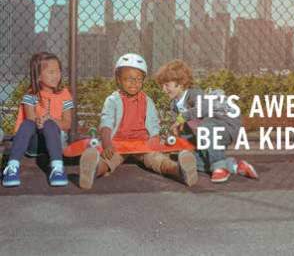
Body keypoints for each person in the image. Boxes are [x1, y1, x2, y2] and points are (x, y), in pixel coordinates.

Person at [79, 53, 198, 189]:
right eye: (129, 79)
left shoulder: (147, 101)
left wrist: (154, 138)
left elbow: (153, 124)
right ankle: (92, 170)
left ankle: (180, 171)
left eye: (139, 79)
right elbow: (106, 123)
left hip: (142, 144)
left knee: (157, 160)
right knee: (108, 160)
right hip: (119, 143)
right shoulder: (112, 100)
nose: (134, 83)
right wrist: (107, 143)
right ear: (118, 79)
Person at [155, 59, 258, 183]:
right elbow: (183, 130)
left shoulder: (194, 94)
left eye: (167, 85)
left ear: (180, 84)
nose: (163, 89)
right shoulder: (174, 105)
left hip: (226, 125)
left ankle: (220, 168)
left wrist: (181, 118)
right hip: (207, 135)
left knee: (206, 126)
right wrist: (173, 136)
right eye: (162, 86)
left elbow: (204, 109)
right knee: (189, 158)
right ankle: (234, 166)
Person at [2, 52, 74, 187]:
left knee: (50, 125)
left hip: (55, 143)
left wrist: (50, 120)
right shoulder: (31, 95)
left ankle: (57, 168)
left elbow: (67, 124)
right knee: (28, 123)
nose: (56, 75)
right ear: (39, 76)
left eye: (58, 71)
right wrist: (39, 121)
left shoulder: (64, 94)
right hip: (34, 143)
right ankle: (12, 168)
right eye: (51, 72)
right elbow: (30, 119)